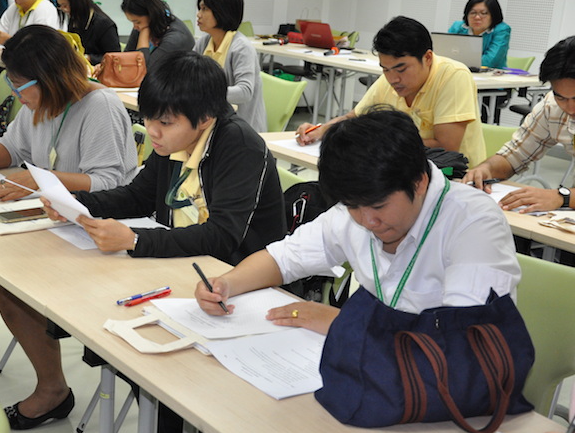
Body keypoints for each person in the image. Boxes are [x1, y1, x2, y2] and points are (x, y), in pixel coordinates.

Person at [44, 51, 286, 433]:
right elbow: (140, 195)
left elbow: (223, 237)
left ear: (205, 118)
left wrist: (136, 241)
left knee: (156, 360)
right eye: (148, 118)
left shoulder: (239, 146)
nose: (152, 132)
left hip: (237, 284)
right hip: (183, 271)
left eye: (165, 122)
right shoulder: (172, 143)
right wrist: (79, 204)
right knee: (120, 337)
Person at [0, 25, 137, 431]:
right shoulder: (39, 104)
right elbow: (12, 146)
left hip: (101, 230)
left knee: (11, 287)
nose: (14, 92)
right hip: (58, 219)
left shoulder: (101, 108)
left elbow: (113, 184)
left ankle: (53, 392)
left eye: (19, 83)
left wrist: (40, 178)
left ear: (53, 79)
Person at [196, 108, 520, 337]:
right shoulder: (358, 207)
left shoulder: (473, 224)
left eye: (379, 206)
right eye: (353, 207)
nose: (368, 221)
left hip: (442, 392)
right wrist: (227, 284)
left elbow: (462, 338)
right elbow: (286, 257)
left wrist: (344, 323)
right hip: (377, 370)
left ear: (419, 182)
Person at [296, 16, 486, 168]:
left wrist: (381, 139)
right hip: (405, 173)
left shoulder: (453, 76)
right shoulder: (391, 78)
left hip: (455, 178)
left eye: (401, 69)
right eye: (385, 69)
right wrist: (321, 130)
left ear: (427, 58)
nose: (393, 78)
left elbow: (447, 148)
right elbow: (354, 117)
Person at [463, 36, 575, 214]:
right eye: (560, 96)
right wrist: (486, 169)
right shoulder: (551, 108)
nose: (570, 108)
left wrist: (563, 197)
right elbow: (514, 155)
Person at [194, 0, 266, 132]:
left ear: (222, 12)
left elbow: (245, 92)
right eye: (200, 9)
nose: (198, 14)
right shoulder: (204, 42)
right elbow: (186, 74)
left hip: (241, 131)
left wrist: (203, 94)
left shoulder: (241, 48)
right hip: (212, 124)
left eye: (205, 9)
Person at [121, 0, 194, 72]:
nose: (135, 27)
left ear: (151, 15)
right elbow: (125, 59)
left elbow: (144, 72)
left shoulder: (175, 38)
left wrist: (143, 35)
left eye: (137, 22)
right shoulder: (145, 25)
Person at [54, 0, 120, 65]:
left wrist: (89, 58)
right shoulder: (74, 20)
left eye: (65, 5)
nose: (63, 10)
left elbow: (116, 58)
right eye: (60, 5)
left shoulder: (104, 24)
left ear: (76, 1)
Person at [448, 0, 511, 69]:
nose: (477, 17)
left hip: (491, 76)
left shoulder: (501, 30)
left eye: (483, 13)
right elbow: (445, 53)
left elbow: (490, 61)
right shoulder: (458, 27)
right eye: (473, 13)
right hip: (459, 72)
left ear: (493, 15)